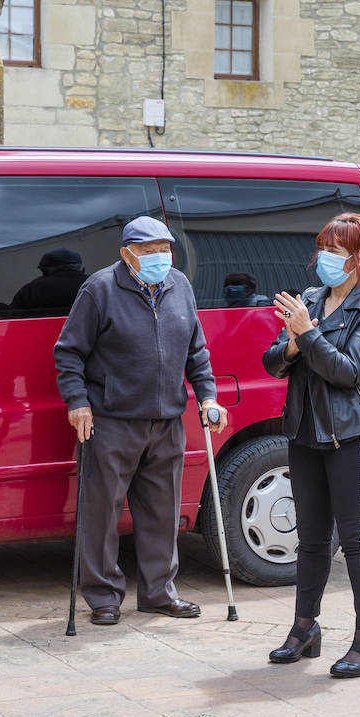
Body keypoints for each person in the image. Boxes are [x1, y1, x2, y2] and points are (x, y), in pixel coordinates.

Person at [54, 215, 227, 627]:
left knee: (163, 513)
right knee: (101, 514)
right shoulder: (100, 289)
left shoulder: (179, 286)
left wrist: (207, 396)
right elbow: (69, 352)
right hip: (111, 420)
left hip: (166, 419)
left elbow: (196, 352)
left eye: (165, 250)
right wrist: (77, 402)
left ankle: (158, 593)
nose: (160, 258)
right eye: (149, 252)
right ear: (127, 255)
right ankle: (102, 596)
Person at [263, 213, 360, 678]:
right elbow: (274, 361)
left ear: (359, 258)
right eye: (323, 249)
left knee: (357, 538)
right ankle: (304, 629)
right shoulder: (310, 300)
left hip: (349, 434)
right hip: (303, 431)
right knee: (311, 538)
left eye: (336, 252)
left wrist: (308, 333)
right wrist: (295, 342)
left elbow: (347, 371)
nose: (326, 260)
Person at [9, 248, 87, 314]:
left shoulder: (32, 289)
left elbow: (12, 318)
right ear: (81, 268)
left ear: (45, 270)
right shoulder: (93, 284)